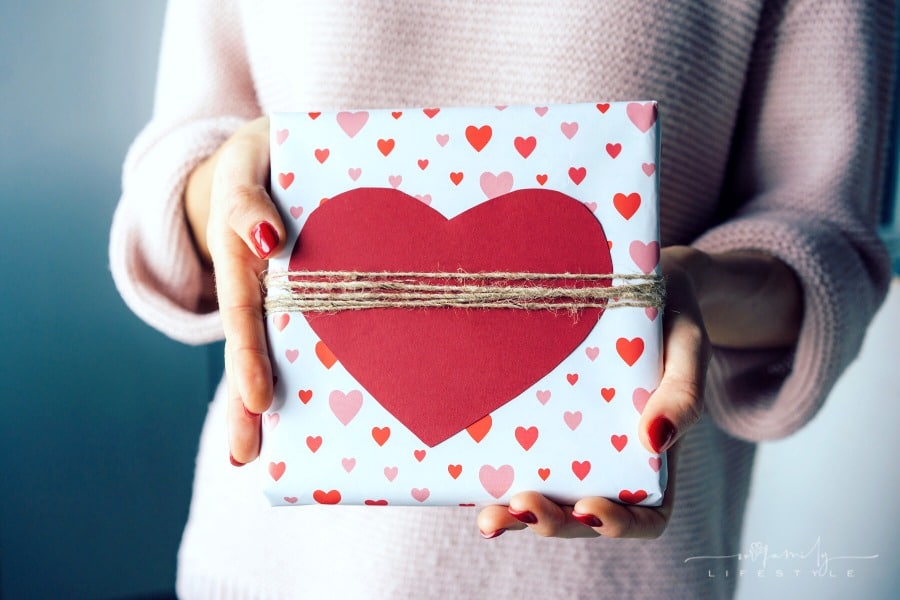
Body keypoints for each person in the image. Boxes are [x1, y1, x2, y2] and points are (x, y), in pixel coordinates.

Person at [110, 1, 895, 598]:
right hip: (276, 565)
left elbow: (829, 246)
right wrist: (225, 187)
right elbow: (176, 167)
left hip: (617, 576)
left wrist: (689, 292)